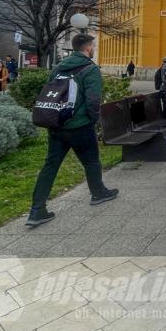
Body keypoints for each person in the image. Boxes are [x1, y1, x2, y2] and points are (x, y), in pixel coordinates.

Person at [26, 34, 118, 226]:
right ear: (87, 48)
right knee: (91, 161)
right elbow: (93, 99)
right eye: (93, 46)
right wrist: (92, 120)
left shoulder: (58, 67)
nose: (93, 49)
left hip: (56, 124)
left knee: (50, 166)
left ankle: (37, 210)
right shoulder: (90, 69)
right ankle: (98, 193)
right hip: (80, 125)